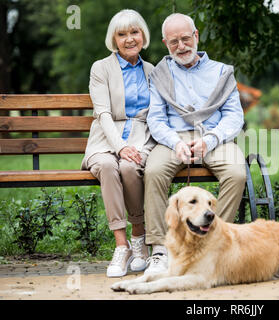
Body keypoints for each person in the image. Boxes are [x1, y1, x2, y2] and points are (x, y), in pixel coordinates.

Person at [143, 13, 246, 275]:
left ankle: (215, 240)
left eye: (186, 39)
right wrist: (174, 142)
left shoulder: (222, 72)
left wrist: (211, 139)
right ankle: (159, 249)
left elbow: (235, 116)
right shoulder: (160, 73)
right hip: (173, 137)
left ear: (196, 36)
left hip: (214, 136)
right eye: (174, 41)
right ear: (165, 43)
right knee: (153, 171)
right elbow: (155, 118)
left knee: (236, 173)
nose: (181, 46)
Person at [81, 9, 156, 277]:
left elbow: (157, 114)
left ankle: (139, 236)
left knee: (128, 167)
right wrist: (119, 146)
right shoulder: (100, 68)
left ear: (143, 35)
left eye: (134, 32)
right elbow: (101, 112)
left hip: (141, 139)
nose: (129, 39)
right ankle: (122, 246)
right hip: (104, 139)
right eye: (122, 34)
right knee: (108, 166)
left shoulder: (152, 71)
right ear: (114, 38)